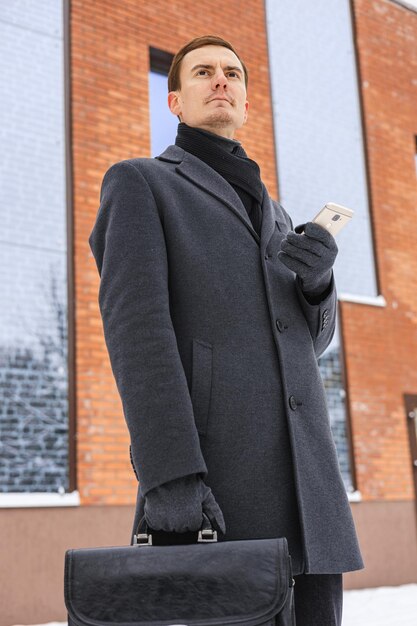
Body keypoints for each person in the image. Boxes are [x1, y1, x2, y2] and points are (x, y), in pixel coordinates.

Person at [88, 34, 364, 626]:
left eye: (233, 74)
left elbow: (307, 346)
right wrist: (170, 477)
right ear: (175, 103)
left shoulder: (279, 214)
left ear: (245, 101)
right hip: (216, 492)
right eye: (204, 72)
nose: (221, 81)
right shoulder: (140, 183)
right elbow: (138, 335)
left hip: (310, 501)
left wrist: (317, 286)